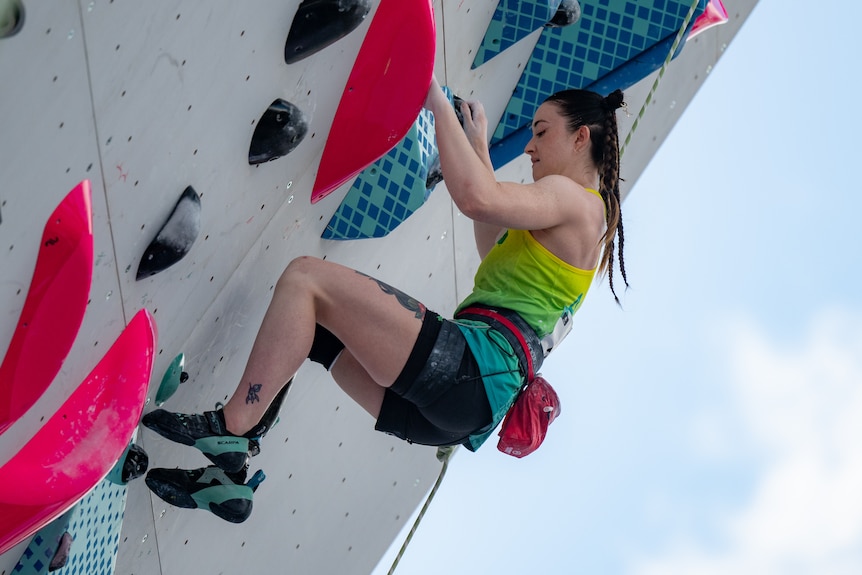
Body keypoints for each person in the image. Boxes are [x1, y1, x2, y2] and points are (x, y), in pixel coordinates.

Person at [142, 77, 629, 523]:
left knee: (304, 280)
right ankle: (229, 480)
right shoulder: (584, 230)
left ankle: (233, 429)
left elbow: (478, 199)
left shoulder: (579, 200)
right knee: (316, 327)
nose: (529, 146)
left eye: (542, 132)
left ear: (580, 137)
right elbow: (493, 244)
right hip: (457, 411)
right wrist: (477, 146)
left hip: (465, 372)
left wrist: (432, 98)